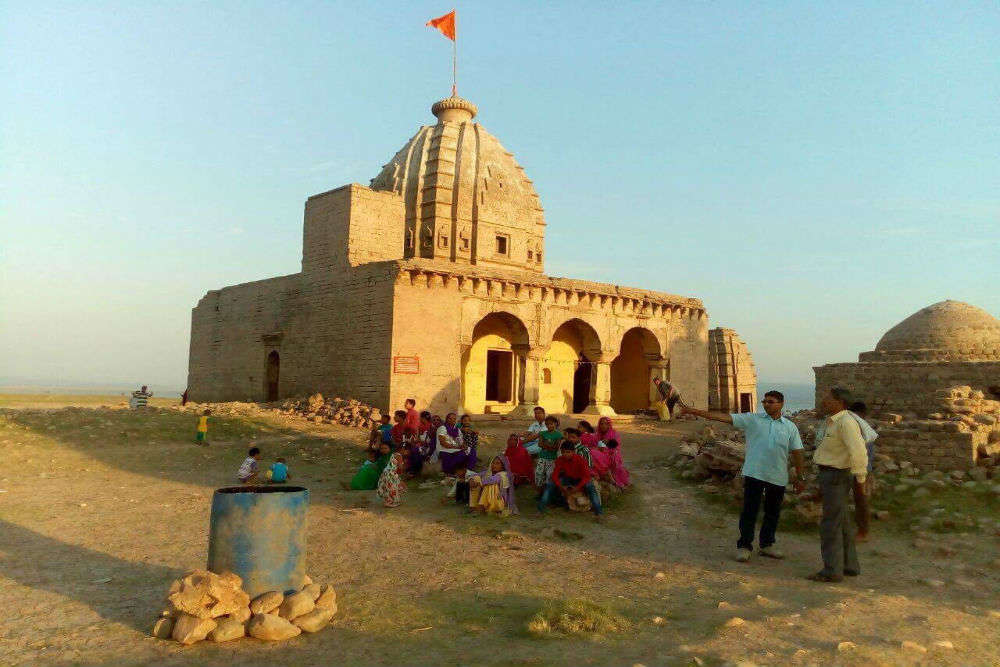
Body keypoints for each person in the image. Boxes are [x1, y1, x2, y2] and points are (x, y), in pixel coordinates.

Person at [681, 390, 806, 563]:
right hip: (754, 472)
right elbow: (724, 418)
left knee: (772, 512)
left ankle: (767, 544)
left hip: (777, 474)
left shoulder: (789, 427)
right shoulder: (753, 419)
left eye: (771, 401)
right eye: (765, 401)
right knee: (749, 511)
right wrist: (695, 411)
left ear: (781, 404)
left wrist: (801, 476)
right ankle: (744, 546)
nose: (766, 404)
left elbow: (797, 451)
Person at [807, 387, 868, 582]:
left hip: (837, 476)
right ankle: (849, 565)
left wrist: (860, 479)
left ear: (839, 402)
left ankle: (832, 570)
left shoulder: (846, 423)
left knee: (830, 524)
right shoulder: (833, 422)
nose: (824, 401)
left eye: (828, 398)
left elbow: (858, 451)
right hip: (831, 475)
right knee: (841, 522)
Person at [537, 442, 603, 519]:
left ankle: (599, 512)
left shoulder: (580, 460)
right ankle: (540, 509)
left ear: (573, 452)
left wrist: (577, 487)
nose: (566, 454)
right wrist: (561, 487)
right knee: (550, 484)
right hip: (568, 478)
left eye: (568, 452)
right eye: (563, 452)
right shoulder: (560, 460)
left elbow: (586, 476)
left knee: (590, 487)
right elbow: (555, 475)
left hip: (580, 479)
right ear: (561, 452)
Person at [848, 401, 878, 542]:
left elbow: (867, 454)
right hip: (847, 468)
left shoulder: (865, 430)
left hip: (862, 471)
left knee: (861, 501)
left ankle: (863, 531)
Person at [534, 416, 563, 490]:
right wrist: (550, 446)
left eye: (551, 424)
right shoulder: (542, 433)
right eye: (547, 424)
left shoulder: (558, 435)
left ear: (555, 424)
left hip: (552, 458)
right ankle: (539, 491)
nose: (549, 426)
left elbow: (556, 448)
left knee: (549, 475)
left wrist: (545, 445)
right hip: (542, 457)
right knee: (539, 474)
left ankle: (547, 491)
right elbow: (539, 444)